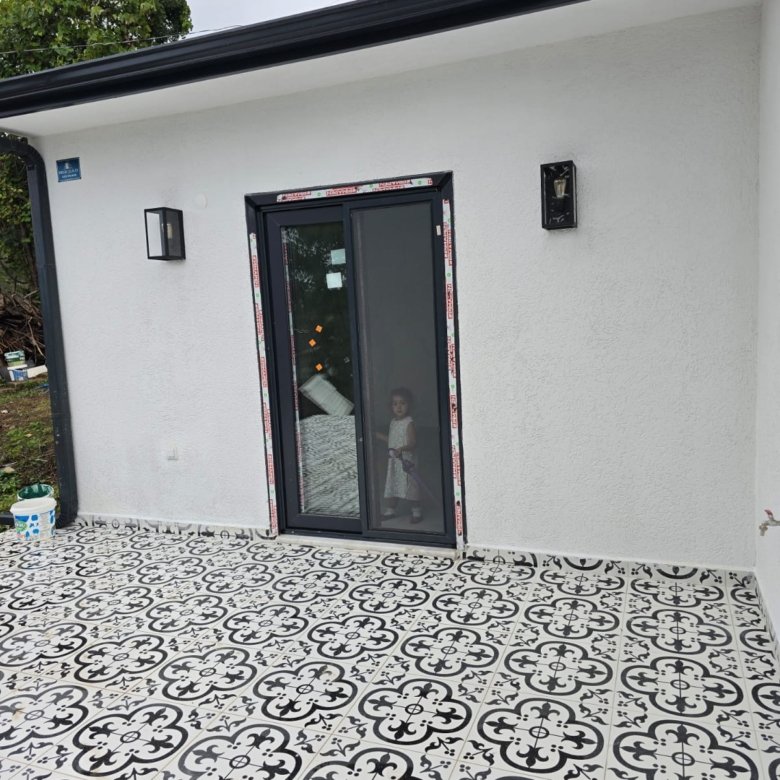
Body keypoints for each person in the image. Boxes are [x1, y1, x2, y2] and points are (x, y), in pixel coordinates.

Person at [376, 387, 422, 522]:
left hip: (407, 462)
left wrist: (402, 449)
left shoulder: (409, 423)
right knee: (393, 484)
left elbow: (412, 443)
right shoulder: (393, 422)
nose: (399, 407)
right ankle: (390, 510)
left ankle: (416, 512)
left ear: (409, 405)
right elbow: (392, 440)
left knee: (411, 487)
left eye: (402, 403)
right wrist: (377, 435)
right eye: (395, 404)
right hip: (395, 461)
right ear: (391, 407)